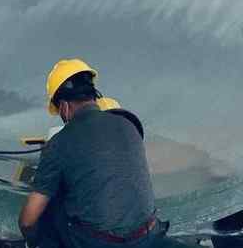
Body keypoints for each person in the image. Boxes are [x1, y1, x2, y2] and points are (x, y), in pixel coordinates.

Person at [18, 59, 163, 248]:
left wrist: (33, 241)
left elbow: (27, 221)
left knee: (51, 203)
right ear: (94, 95)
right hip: (148, 235)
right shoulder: (129, 125)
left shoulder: (60, 142)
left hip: (99, 243)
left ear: (64, 107)